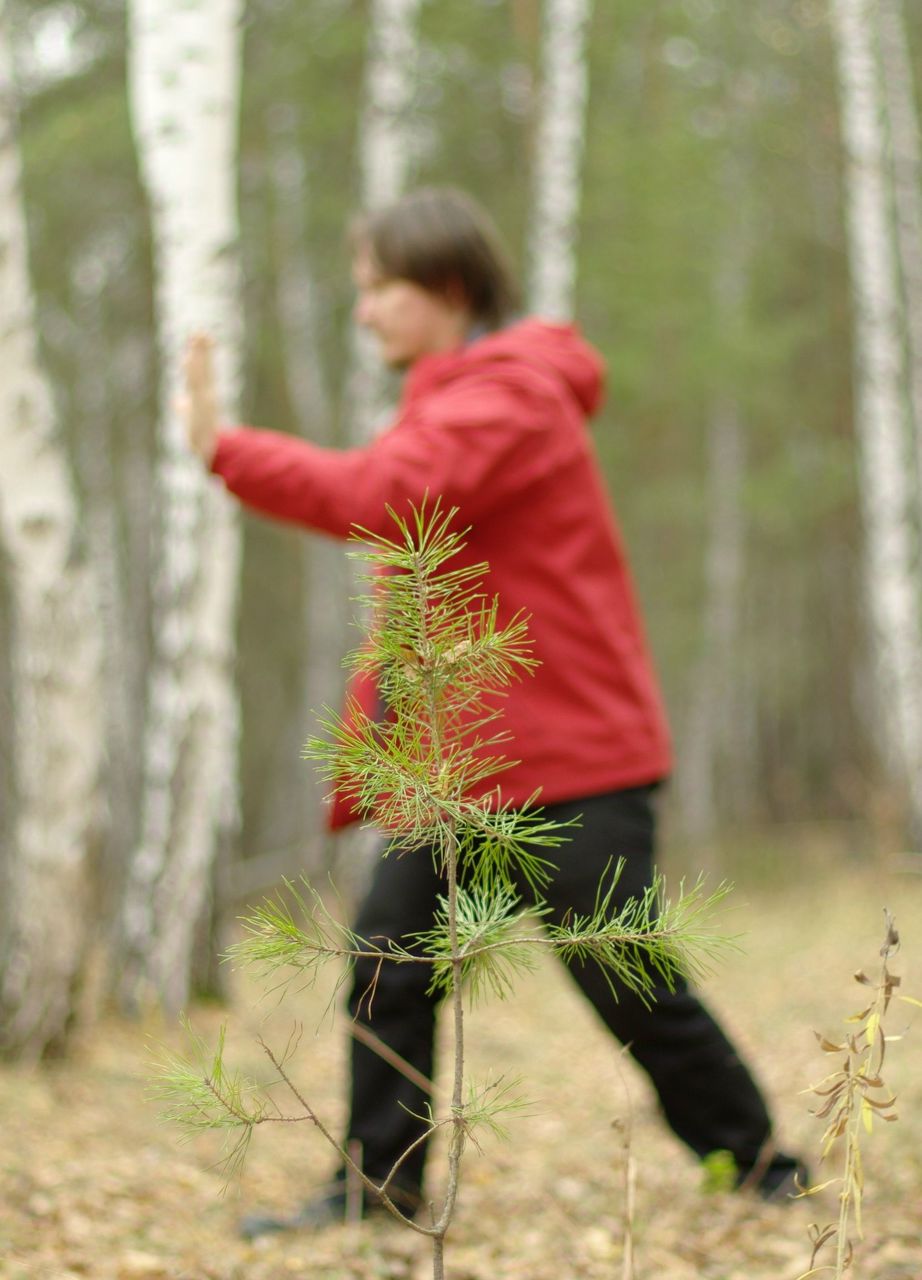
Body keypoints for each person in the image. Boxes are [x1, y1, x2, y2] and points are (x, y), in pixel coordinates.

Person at [182, 187, 804, 1232]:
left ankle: (754, 1163)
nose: (365, 310)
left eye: (380, 287)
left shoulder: (511, 397)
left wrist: (221, 446)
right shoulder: (455, 395)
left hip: (570, 755)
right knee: (387, 962)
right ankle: (377, 1193)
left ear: (449, 284)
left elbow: (382, 496)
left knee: (624, 974)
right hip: (462, 764)